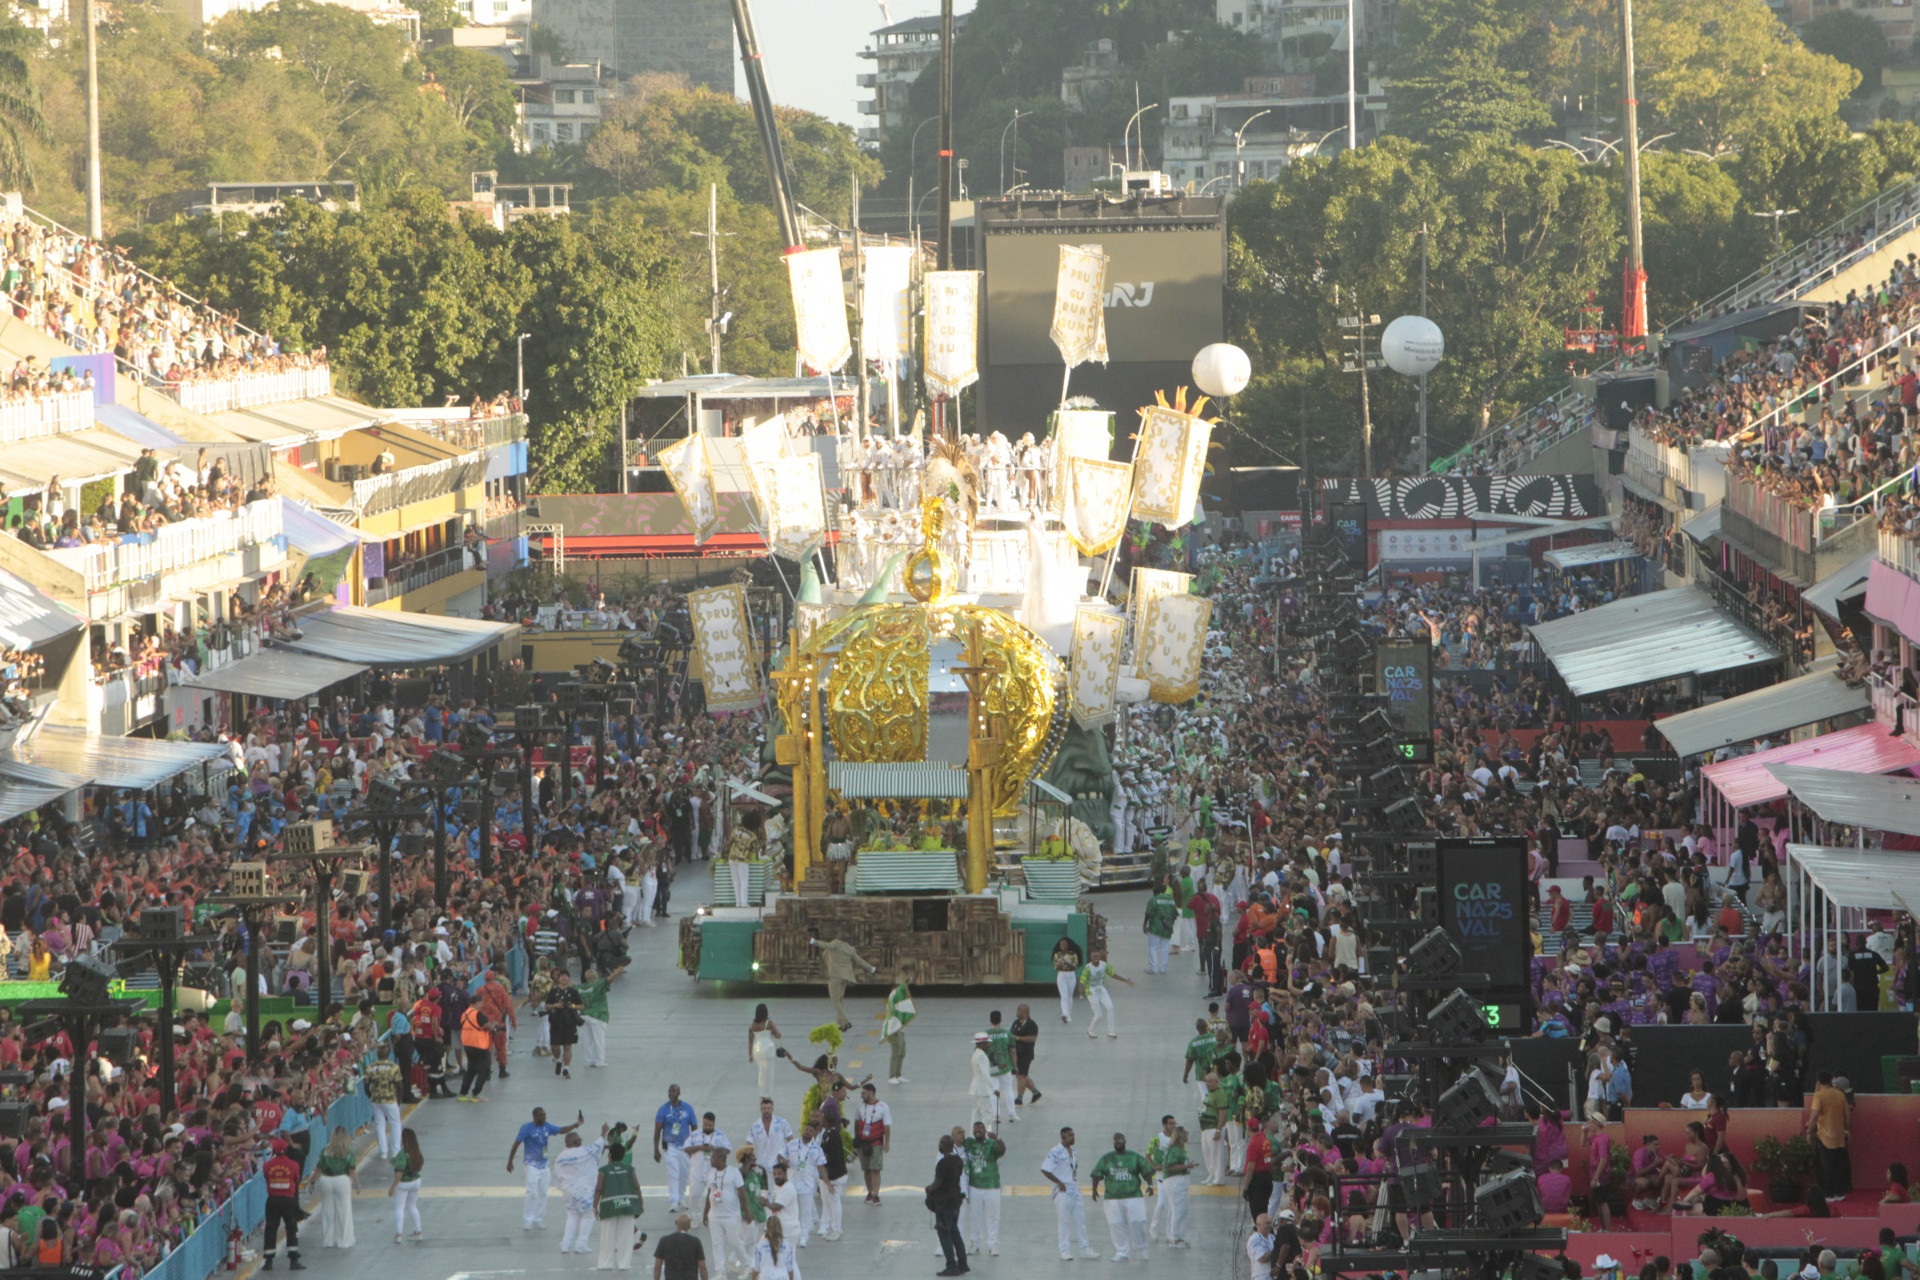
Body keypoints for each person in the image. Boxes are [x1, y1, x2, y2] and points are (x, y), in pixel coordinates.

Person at [510, 1107, 586, 1231]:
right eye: (542, 1115)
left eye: (545, 1115)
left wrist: (576, 1124)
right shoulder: (526, 1128)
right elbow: (516, 1144)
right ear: (535, 1116)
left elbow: (561, 1130)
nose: (544, 1117)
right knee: (531, 1192)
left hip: (544, 1164)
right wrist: (510, 1161)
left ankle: (538, 1218)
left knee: (543, 1192)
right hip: (531, 1165)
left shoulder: (547, 1127)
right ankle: (528, 1220)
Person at [1089, 1131, 1154, 1263]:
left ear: (1124, 1142)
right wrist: (1094, 1190)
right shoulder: (1107, 1158)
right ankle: (1122, 1251)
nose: (1117, 1143)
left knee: (1138, 1221)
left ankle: (1141, 1247)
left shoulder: (1134, 1157)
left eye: (1120, 1141)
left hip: (1133, 1195)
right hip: (1112, 1197)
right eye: (1115, 1141)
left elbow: (1146, 1171)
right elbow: (1096, 1174)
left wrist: (1150, 1185)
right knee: (1115, 1224)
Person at [1041, 1126, 1098, 1261]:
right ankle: (1064, 1250)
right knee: (1064, 1221)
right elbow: (1045, 1169)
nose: (1073, 1137)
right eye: (1070, 1135)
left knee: (1081, 1220)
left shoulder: (1073, 1151)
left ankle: (1085, 1248)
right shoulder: (1056, 1152)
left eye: (1073, 1135)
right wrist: (1058, 1182)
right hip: (1063, 1191)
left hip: (1075, 1189)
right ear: (1063, 1136)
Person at [557, 1126, 612, 1256]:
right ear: (572, 1143)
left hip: (568, 1192)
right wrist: (603, 1132)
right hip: (583, 1191)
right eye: (577, 1141)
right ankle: (581, 1244)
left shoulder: (561, 1156)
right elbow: (597, 1146)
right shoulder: (581, 1152)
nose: (579, 1143)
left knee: (572, 1216)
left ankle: (566, 1244)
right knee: (588, 1215)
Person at [807, 928, 877, 1030]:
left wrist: (812, 941)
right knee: (839, 1000)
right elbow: (860, 961)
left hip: (835, 975)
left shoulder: (836, 944)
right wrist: (872, 969)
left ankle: (846, 1021)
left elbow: (826, 945)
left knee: (835, 1000)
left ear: (839, 938)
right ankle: (842, 1025)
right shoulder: (849, 948)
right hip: (845, 977)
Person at [595, 1138, 647, 1271]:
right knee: (626, 1236)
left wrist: (595, 1205)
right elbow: (636, 1187)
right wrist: (640, 1203)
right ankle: (624, 1263)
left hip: (609, 1206)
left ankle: (605, 1263)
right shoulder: (630, 1169)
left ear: (609, 1155)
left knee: (607, 1236)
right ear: (624, 1155)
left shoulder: (603, 1170)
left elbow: (599, 1189)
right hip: (627, 1205)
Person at [702, 1148, 754, 1280]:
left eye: (713, 1158)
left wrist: (746, 1212)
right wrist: (705, 1213)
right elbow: (710, 1193)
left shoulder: (734, 1172)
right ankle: (720, 1271)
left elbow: (742, 1193)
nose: (711, 1160)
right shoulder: (711, 1173)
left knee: (735, 1241)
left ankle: (747, 1265)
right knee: (717, 1243)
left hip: (731, 1215)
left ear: (721, 1159)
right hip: (714, 1215)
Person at [262, 1137, 307, 1270]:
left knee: (271, 1229)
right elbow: (297, 1179)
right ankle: (293, 1259)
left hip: (273, 1199)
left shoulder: (267, 1165)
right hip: (288, 1200)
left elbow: (267, 1179)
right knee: (291, 1228)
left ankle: (268, 1261)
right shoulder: (294, 1165)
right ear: (286, 1150)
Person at [962, 1121, 1004, 1258]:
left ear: (985, 1130)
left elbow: (1002, 1151)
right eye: (975, 1129)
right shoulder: (969, 1143)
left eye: (980, 1128)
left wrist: (997, 1139)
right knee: (975, 1217)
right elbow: (957, 1141)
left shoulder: (991, 1143)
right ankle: (975, 1242)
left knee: (993, 1217)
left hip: (992, 1186)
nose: (977, 1131)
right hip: (975, 1186)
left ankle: (993, 1244)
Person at [655, 1085, 699, 1213]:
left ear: (679, 1093)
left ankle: (681, 1199)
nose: (670, 1093)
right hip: (670, 1146)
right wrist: (656, 1149)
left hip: (685, 1147)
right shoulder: (663, 1110)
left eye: (673, 1091)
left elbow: (694, 1127)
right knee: (673, 1173)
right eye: (669, 1090)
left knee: (684, 1174)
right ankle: (673, 1201)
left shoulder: (688, 1108)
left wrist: (694, 1145)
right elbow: (657, 1130)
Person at [928, 1133, 968, 1277]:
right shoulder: (958, 1160)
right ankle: (963, 1264)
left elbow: (937, 1183)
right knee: (955, 1233)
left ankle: (951, 1265)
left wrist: (928, 1189)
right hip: (956, 1201)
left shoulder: (942, 1163)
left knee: (944, 1233)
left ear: (944, 1146)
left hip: (944, 1203)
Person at [1808, 1070, 1852, 1197]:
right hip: (1839, 1136)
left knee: (1826, 1167)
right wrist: (1846, 1130)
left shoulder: (1819, 1096)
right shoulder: (1840, 1095)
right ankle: (1839, 1192)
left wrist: (1809, 1132)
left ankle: (1828, 1194)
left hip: (1825, 1136)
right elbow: (1847, 1116)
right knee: (1839, 1166)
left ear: (1819, 1082)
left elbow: (1815, 1115)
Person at [315, 1126, 360, 1250]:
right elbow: (352, 1170)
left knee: (327, 1210)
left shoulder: (325, 1150)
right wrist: (357, 1184)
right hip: (342, 1180)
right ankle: (344, 1241)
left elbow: (319, 1168)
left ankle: (328, 1240)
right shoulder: (347, 1152)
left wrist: (312, 1182)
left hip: (326, 1180)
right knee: (344, 1211)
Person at [853, 1081, 891, 1205]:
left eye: (864, 1093)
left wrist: (887, 1143)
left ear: (871, 1093)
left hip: (876, 1142)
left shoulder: (883, 1107)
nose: (862, 1096)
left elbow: (886, 1126)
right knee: (866, 1169)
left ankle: (876, 1194)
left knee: (875, 1169)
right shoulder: (860, 1106)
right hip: (863, 1142)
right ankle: (869, 1192)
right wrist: (857, 1138)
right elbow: (857, 1122)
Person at [1080, 949, 1132, 1038]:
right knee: (1099, 1014)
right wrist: (1081, 994)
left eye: (1097, 956)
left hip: (1101, 989)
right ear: (1091, 958)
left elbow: (1112, 974)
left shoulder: (1104, 965)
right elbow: (1082, 982)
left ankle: (1110, 1031)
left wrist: (1125, 980)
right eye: (1093, 957)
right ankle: (1091, 1030)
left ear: (1099, 957)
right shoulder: (1088, 968)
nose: (1095, 958)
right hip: (1091, 992)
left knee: (1110, 1007)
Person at [366, 1042, 403, 1159]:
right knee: (395, 1123)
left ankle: (383, 1151)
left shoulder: (371, 1067)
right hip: (390, 1099)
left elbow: (366, 1085)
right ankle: (395, 1150)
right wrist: (400, 1098)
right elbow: (399, 1084)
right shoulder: (393, 1067)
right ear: (389, 1053)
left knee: (379, 1125)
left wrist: (371, 1096)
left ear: (377, 1054)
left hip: (376, 1100)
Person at [390, 1127, 426, 1243]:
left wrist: (393, 1186)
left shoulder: (402, 1154)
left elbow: (399, 1172)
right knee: (412, 1206)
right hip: (416, 1182)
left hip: (404, 1183)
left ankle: (399, 1234)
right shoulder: (417, 1152)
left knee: (399, 1208)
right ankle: (418, 1231)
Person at [985, 1011, 1018, 1123]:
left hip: (991, 1068)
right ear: (1000, 1020)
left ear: (990, 1020)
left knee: (994, 1091)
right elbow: (1013, 1051)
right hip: (1005, 1066)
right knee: (1008, 1089)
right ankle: (1012, 1114)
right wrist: (1014, 1066)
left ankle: (996, 1115)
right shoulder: (1007, 1033)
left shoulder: (985, 1034)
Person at [654, 1213, 709, 1280]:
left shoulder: (664, 1240)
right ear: (689, 1226)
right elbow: (702, 1267)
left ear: (676, 1223)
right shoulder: (695, 1241)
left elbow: (657, 1266)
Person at [459, 1000, 494, 1101]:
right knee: (485, 1069)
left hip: (467, 1044)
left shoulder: (464, 1014)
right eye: (481, 1003)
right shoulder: (478, 1014)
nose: (481, 1006)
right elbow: (488, 1026)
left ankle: (463, 1092)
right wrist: (493, 1026)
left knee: (471, 1069)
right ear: (476, 1003)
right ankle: (476, 1092)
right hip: (480, 1045)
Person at [883, 972, 915, 1085]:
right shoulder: (893, 997)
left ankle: (898, 1074)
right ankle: (892, 1076)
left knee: (902, 1053)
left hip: (900, 1029)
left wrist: (908, 981)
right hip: (894, 1030)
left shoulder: (898, 998)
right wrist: (907, 981)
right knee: (896, 1053)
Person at [748, 1004, 784, 1101]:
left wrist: (750, 1055)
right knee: (769, 1073)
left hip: (757, 1050)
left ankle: (762, 1093)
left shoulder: (752, 1025)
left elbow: (750, 1040)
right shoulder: (769, 1023)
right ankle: (768, 1094)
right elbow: (778, 1035)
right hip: (768, 1049)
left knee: (761, 1071)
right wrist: (774, 1033)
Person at [749, 1215, 800, 1280]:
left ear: (767, 1227)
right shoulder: (786, 1244)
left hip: (766, 1277)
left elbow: (756, 1267)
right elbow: (790, 1268)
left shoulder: (761, 1244)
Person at [1143, 880, 1177, 974]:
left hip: (1155, 927)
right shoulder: (1170, 900)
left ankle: (1153, 967)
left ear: (1155, 891)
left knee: (1153, 947)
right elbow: (1174, 915)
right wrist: (1171, 925)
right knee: (1165, 947)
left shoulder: (1154, 900)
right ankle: (1163, 968)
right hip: (1167, 927)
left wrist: (1144, 925)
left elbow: (1148, 913)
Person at [1009, 1004, 1042, 1105]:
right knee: (1020, 1075)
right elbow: (1011, 1034)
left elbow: (1032, 1038)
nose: (1017, 1012)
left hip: (1025, 1053)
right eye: (1017, 1009)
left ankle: (1019, 1098)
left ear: (1025, 1012)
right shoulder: (1016, 1023)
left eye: (1019, 1010)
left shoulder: (1031, 1024)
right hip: (1016, 1053)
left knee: (1021, 1076)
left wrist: (1018, 1038)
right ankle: (1035, 1092)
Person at [969, 1033, 997, 1129]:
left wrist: (997, 1068)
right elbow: (985, 1074)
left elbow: (983, 1071)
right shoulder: (981, 1055)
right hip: (982, 1089)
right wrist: (994, 1089)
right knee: (987, 1114)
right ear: (981, 1043)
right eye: (986, 1043)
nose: (988, 1045)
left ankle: (973, 1136)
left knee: (975, 1115)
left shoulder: (976, 1053)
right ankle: (987, 1136)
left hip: (975, 1089)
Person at [1052, 938, 1081, 1023]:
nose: (1062, 946)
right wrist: (1060, 965)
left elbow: (1074, 966)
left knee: (1069, 996)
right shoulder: (1057, 955)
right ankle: (1064, 1014)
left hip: (1071, 975)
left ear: (1068, 945)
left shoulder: (1073, 954)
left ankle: (1068, 1014)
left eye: (1064, 944)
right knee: (1064, 996)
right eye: (1061, 944)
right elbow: (1056, 967)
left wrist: (1065, 963)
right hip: (1062, 975)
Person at [1246, 1212, 1275, 1280]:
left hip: (1273, 1275)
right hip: (1261, 1276)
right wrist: (1277, 1250)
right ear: (1259, 1225)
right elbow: (1262, 1258)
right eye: (1267, 1223)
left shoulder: (1272, 1237)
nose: (1270, 1225)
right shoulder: (1254, 1240)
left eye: (1271, 1223)